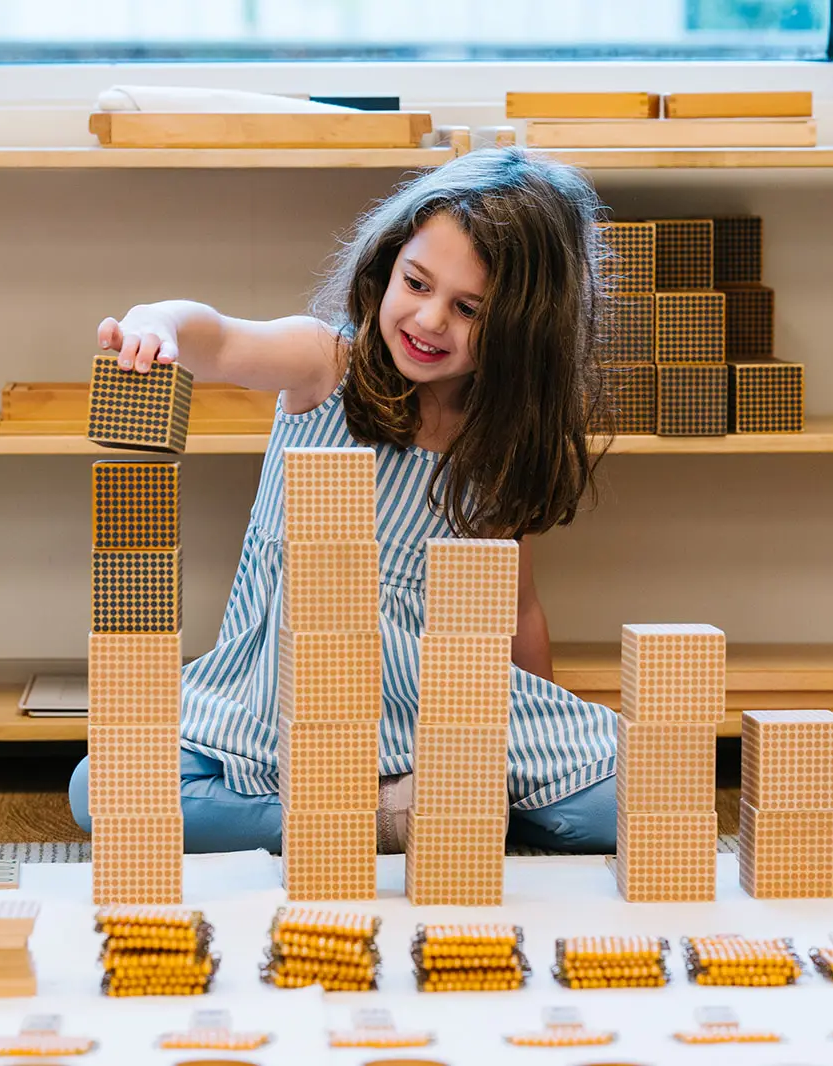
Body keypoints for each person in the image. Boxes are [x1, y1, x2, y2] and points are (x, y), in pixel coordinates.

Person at [70, 148, 619, 855]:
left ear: (521, 327)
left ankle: (437, 803)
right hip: (275, 707)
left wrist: (540, 732)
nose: (428, 319)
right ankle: (385, 818)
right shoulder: (326, 366)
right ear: (387, 264)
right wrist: (159, 324)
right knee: (106, 788)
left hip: (431, 711)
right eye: (416, 283)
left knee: (625, 796)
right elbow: (223, 337)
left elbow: (516, 608)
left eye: (468, 308)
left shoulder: (494, 444)